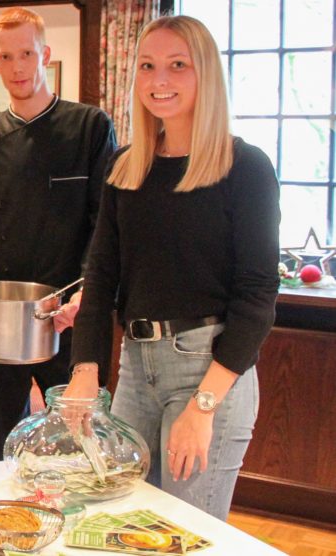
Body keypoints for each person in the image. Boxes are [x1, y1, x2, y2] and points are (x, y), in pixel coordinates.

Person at [65, 16, 280, 521]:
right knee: (121, 523)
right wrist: (85, 372)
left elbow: (257, 294)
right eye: (147, 66)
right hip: (136, 369)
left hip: (208, 370)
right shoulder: (125, 167)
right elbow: (100, 277)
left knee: (185, 534)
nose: (159, 81)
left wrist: (204, 407)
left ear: (205, 74)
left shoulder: (243, 166)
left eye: (177, 66)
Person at [0, 7, 117, 462]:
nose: (17, 67)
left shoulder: (90, 128)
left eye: (26, 54)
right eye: (6, 57)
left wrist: (87, 297)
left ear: (45, 55)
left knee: (82, 443)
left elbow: (106, 224)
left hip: (69, 312)